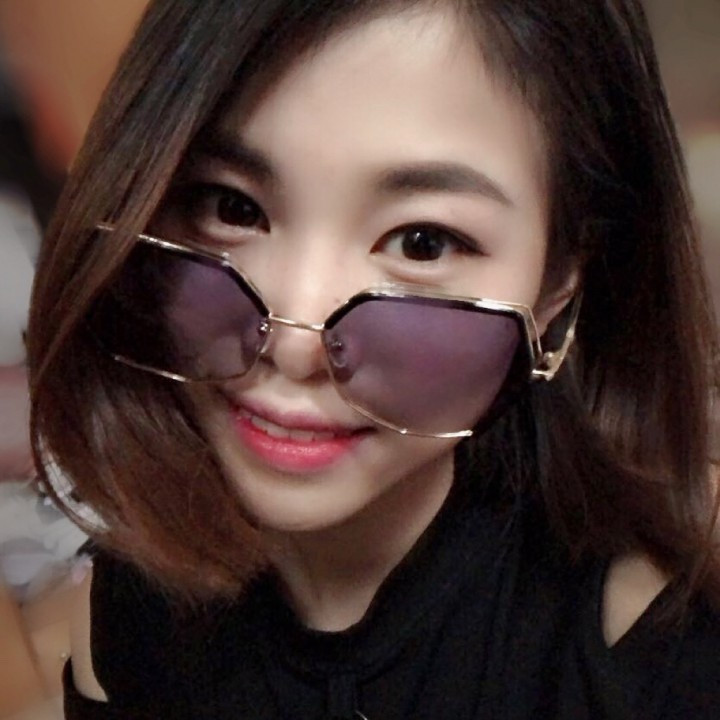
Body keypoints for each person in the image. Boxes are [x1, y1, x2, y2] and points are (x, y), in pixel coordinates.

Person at [27, 0, 720, 717]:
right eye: (231, 208)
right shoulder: (125, 608)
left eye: (424, 242)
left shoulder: (655, 651)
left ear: (554, 294)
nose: (295, 343)